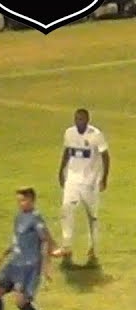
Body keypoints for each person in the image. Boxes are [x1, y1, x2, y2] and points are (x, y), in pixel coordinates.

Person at [57, 108, 109, 265]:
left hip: (90, 181)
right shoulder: (69, 133)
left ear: (87, 120)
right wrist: (61, 170)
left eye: (81, 119)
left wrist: (103, 178)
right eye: (76, 119)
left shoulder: (96, 135)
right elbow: (67, 151)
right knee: (66, 209)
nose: (79, 122)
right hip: (72, 179)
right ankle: (66, 245)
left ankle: (92, 247)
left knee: (91, 215)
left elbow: (106, 156)